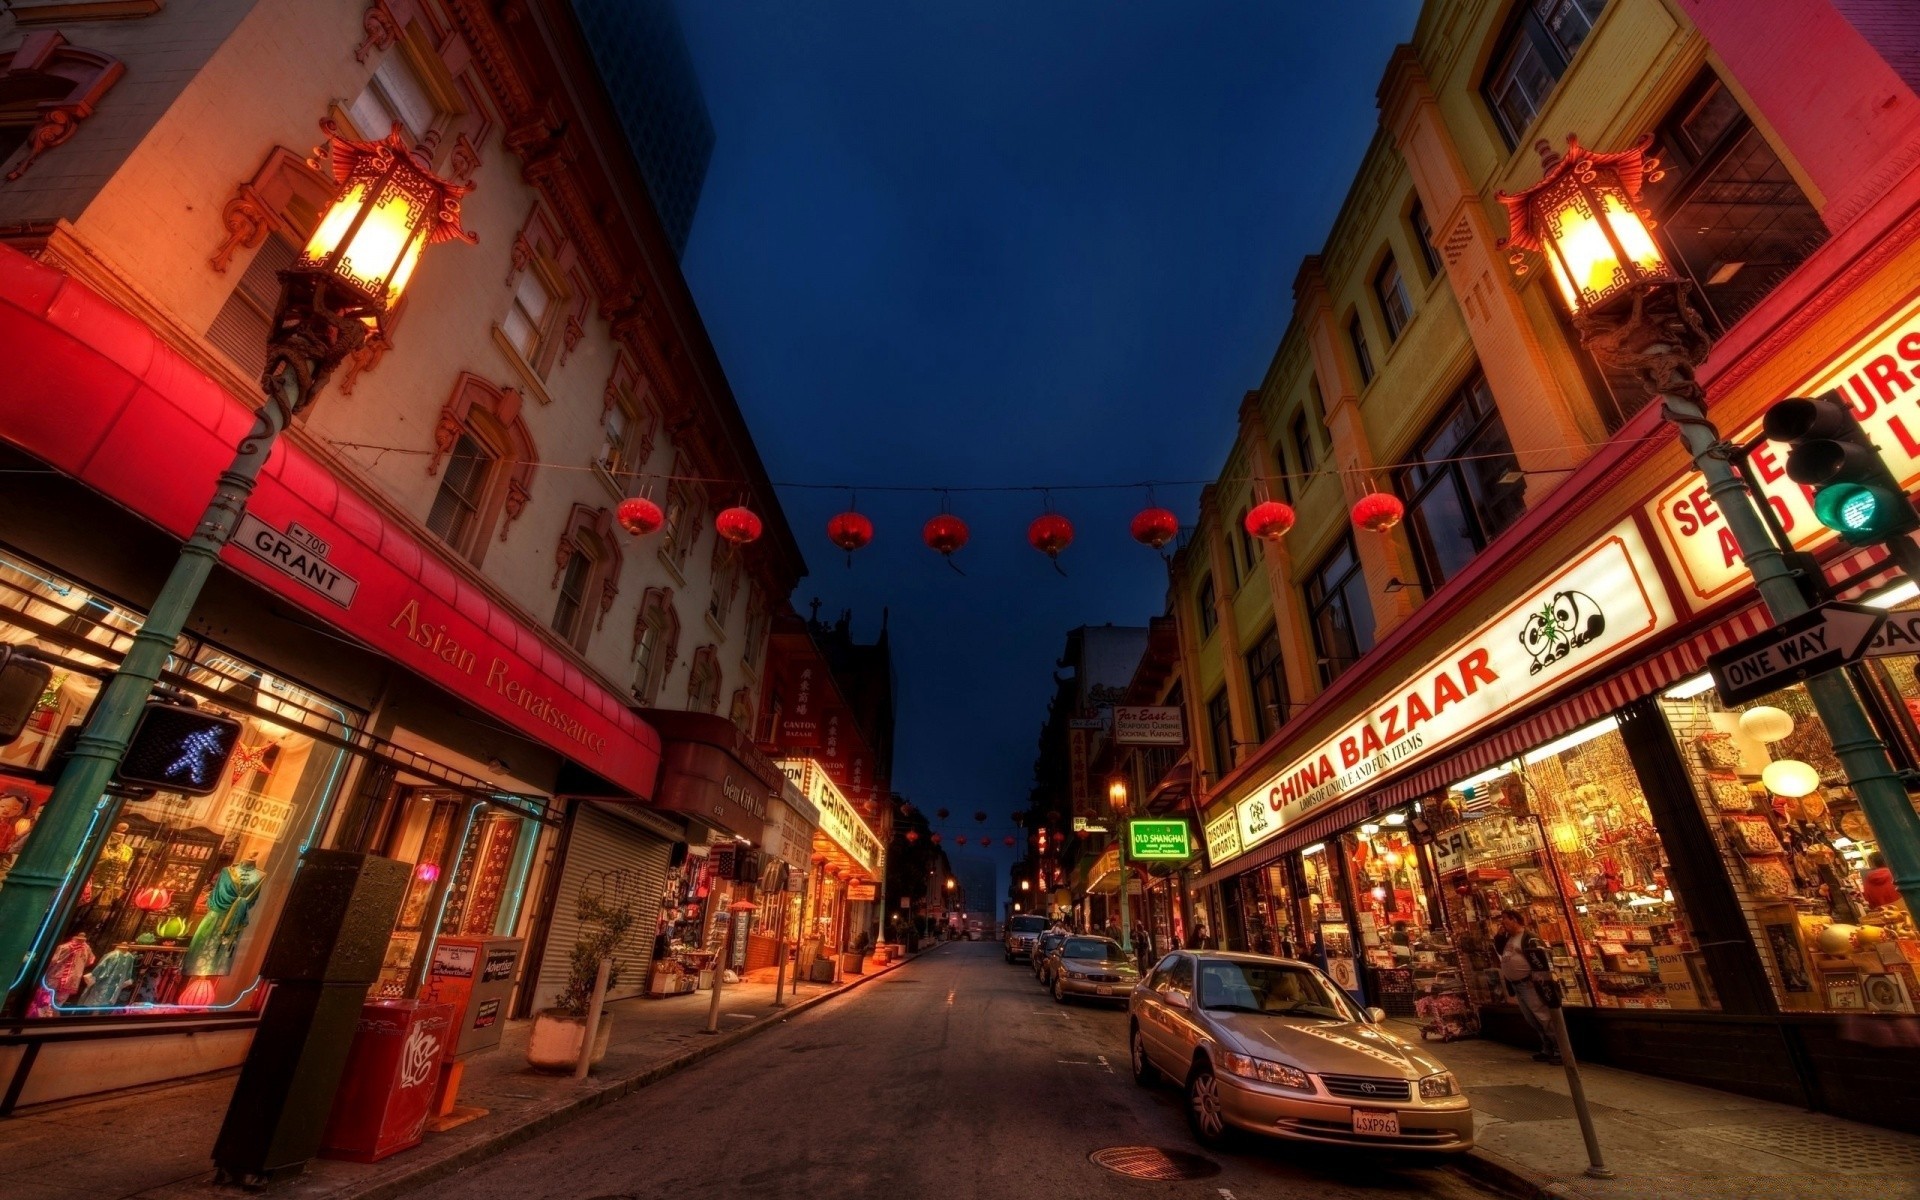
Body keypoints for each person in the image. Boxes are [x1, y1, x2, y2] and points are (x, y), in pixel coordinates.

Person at [1496, 909, 1562, 1064]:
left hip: (1530, 985)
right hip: (1518, 986)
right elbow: (1500, 950)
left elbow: (1541, 959)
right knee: (1533, 1019)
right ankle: (1547, 1048)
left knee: (1544, 1017)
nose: (1502, 924)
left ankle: (1560, 1050)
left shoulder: (1529, 938)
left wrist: (1538, 979)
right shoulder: (1510, 939)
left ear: (1514, 919)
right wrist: (1499, 935)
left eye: (1505, 920)